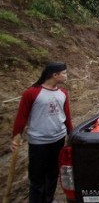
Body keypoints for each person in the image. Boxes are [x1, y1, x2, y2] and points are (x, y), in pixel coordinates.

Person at [11, 62, 73, 203]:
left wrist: (71, 132)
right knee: (37, 176)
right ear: (54, 75)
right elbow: (22, 116)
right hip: (39, 141)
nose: (66, 76)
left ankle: (48, 199)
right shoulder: (31, 93)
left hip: (58, 138)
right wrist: (16, 134)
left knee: (53, 173)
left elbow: (66, 115)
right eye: (64, 73)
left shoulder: (63, 93)